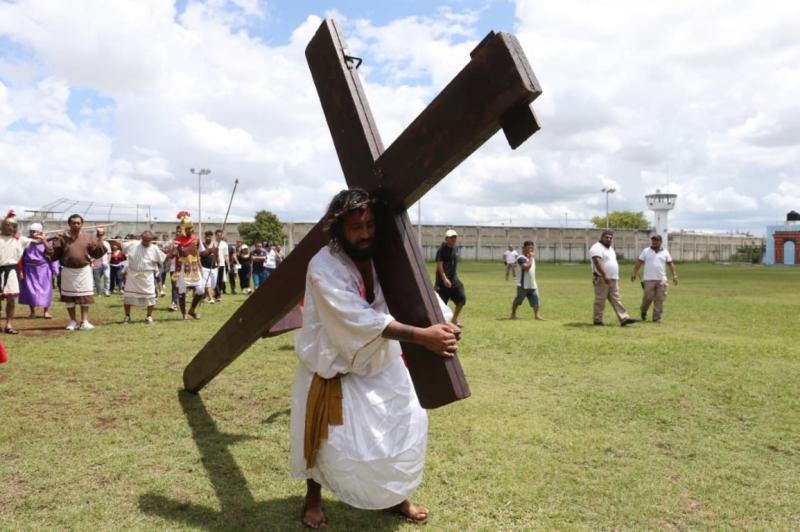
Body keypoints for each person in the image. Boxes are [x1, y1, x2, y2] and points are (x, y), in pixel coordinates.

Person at [290, 188, 459, 529]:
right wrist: (421, 336)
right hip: (333, 364)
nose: (365, 233)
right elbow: (355, 319)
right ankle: (313, 499)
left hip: (382, 360)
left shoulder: (385, 255)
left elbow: (413, 289)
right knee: (325, 439)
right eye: (356, 226)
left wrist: (442, 322)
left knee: (403, 423)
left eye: (369, 224)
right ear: (339, 229)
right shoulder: (323, 266)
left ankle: (396, 497)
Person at [44, 214, 108, 330]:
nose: (76, 225)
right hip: (68, 271)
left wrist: (100, 236)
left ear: (82, 224)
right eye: (73, 223)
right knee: (69, 298)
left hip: (84, 271)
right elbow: (53, 253)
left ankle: (84, 321)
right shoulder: (62, 238)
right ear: (69, 224)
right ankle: (72, 321)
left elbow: (97, 252)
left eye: (78, 223)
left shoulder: (88, 237)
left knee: (85, 297)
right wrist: (44, 241)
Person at [1, 211, 45, 333]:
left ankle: (8, 325)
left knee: (11, 299)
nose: (10, 228)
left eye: (13, 226)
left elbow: (37, 242)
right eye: (8, 225)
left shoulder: (20, 239)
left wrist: (42, 237)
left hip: (11, 271)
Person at [111, 231, 166, 324]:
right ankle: (127, 316)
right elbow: (120, 244)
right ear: (141, 238)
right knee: (128, 297)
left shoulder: (155, 248)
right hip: (133, 275)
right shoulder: (133, 244)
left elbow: (163, 259)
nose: (145, 242)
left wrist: (172, 250)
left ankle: (149, 316)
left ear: (151, 240)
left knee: (151, 297)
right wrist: (111, 240)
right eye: (144, 240)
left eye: (148, 241)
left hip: (147, 276)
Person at [590, 230, 635, 327]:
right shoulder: (596, 247)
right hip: (602, 278)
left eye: (610, 237)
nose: (609, 239)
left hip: (613, 278)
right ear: (602, 237)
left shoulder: (610, 249)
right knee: (600, 300)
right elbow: (597, 262)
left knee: (616, 299)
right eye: (606, 237)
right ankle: (597, 320)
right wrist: (604, 275)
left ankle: (624, 318)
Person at [629, 234, 679, 322]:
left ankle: (656, 318)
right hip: (648, 279)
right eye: (653, 240)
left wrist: (674, 275)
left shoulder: (665, 252)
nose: (654, 242)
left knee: (660, 299)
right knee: (647, 298)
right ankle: (643, 311)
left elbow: (670, 264)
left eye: (656, 241)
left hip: (662, 279)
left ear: (661, 242)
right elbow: (639, 262)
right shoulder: (646, 251)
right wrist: (634, 273)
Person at [19, 222, 59, 320]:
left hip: (44, 269)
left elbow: (52, 256)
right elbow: (21, 256)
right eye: (31, 231)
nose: (32, 233)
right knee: (30, 291)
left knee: (46, 291)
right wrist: (20, 270)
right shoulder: (26, 241)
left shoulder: (48, 241)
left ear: (40, 232)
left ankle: (46, 312)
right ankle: (32, 312)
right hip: (29, 269)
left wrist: (54, 270)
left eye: (34, 232)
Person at [172, 211, 204, 320]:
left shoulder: (196, 239)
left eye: (191, 228)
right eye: (187, 228)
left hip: (194, 267)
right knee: (182, 291)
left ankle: (192, 310)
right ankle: (183, 314)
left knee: (200, 290)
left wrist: (212, 251)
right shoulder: (177, 240)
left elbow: (201, 252)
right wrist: (174, 247)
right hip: (182, 268)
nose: (190, 230)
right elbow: (172, 253)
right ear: (183, 229)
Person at [435, 229, 466, 327]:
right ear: (446, 238)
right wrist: (443, 279)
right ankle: (441, 324)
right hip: (443, 282)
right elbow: (439, 265)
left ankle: (454, 320)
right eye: (451, 237)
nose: (453, 239)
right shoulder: (441, 250)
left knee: (462, 299)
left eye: (455, 237)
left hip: (453, 279)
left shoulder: (456, 249)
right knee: (440, 306)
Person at [509, 240, 544, 321]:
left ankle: (537, 315)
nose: (531, 250)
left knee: (536, 300)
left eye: (532, 248)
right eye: (529, 248)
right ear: (523, 248)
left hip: (532, 284)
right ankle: (513, 314)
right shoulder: (521, 258)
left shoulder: (531, 258)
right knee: (518, 300)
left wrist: (531, 258)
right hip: (523, 285)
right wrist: (531, 257)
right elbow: (526, 268)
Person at [90, 227, 111, 297]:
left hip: (105, 264)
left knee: (107, 277)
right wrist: (92, 262)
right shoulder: (94, 243)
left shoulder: (107, 243)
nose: (101, 236)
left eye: (102, 235)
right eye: (100, 235)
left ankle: (106, 291)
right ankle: (99, 292)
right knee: (97, 279)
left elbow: (109, 253)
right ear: (97, 236)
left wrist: (108, 261)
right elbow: (91, 253)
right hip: (96, 265)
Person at [199, 231, 219, 304]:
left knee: (213, 284)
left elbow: (217, 255)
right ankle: (211, 298)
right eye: (207, 236)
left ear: (212, 237)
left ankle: (204, 296)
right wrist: (211, 250)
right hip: (205, 268)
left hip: (214, 267)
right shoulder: (202, 245)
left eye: (210, 236)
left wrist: (218, 264)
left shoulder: (215, 245)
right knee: (207, 283)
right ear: (205, 237)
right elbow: (202, 254)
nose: (208, 237)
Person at [213, 229, 229, 301]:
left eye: (220, 235)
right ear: (215, 235)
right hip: (214, 264)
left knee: (220, 280)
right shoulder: (213, 243)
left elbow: (226, 255)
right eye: (218, 235)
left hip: (222, 264)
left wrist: (228, 265)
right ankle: (217, 294)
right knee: (215, 280)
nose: (219, 236)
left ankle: (218, 294)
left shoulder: (224, 244)